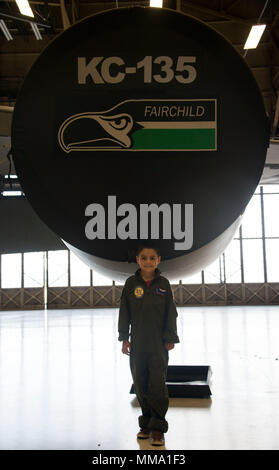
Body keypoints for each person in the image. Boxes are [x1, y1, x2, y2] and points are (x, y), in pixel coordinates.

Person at [118, 243, 180, 446]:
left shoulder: (164, 284)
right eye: (144, 258)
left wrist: (170, 337)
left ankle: (158, 427)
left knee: (157, 385)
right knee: (140, 382)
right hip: (137, 344)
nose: (148, 261)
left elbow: (171, 312)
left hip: (158, 344)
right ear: (138, 260)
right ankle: (145, 423)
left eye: (152, 258)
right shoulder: (130, 284)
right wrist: (124, 338)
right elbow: (124, 312)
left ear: (158, 260)